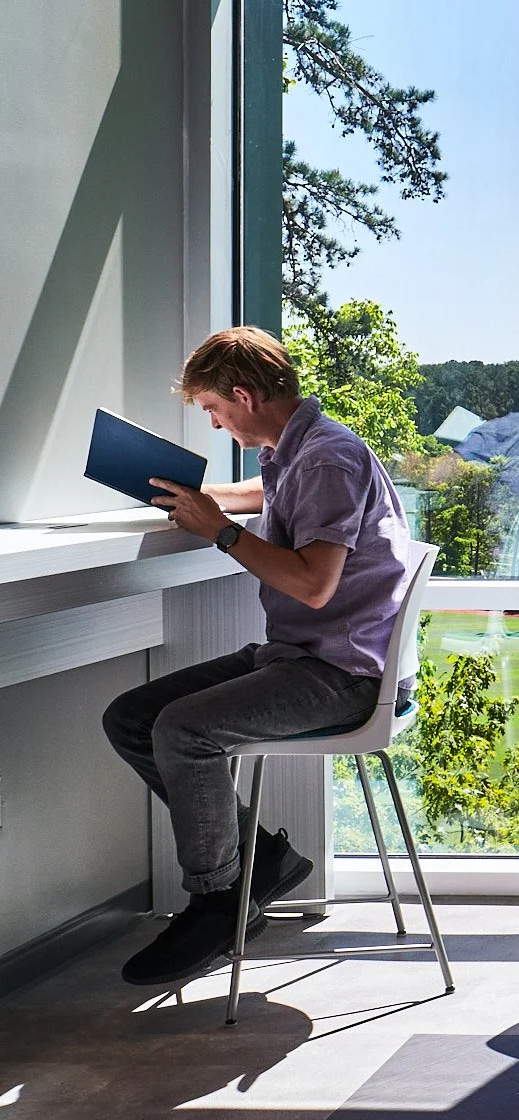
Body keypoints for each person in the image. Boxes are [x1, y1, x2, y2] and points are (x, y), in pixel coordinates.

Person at [102, 327, 414, 989]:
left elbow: (312, 583)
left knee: (183, 731)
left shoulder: (327, 461)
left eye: (214, 410)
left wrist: (215, 531)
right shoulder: (296, 454)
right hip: (301, 656)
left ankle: (220, 901)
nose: (214, 423)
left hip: (345, 675)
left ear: (242, 395)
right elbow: (259, 495)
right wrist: (190, 499)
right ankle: (261, 861)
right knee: (133, 718)